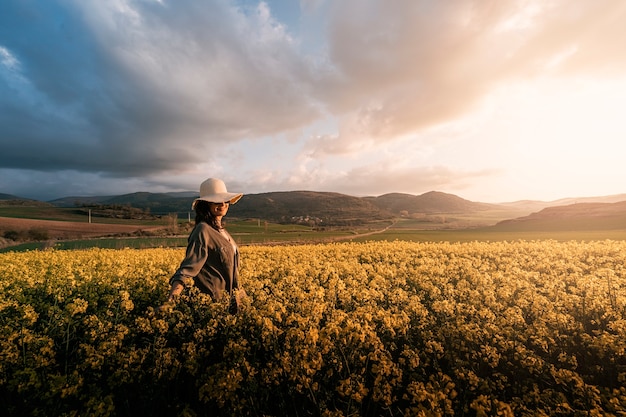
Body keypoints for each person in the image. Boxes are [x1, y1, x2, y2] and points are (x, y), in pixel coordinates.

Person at [163, 178, 246, 313]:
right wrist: (171, 301)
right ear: (206, 205)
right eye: (216, 201)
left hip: (230, 302)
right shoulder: (202, 230)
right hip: (213, 305)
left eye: (225, 200)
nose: (223, 204)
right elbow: (187, 269)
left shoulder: (222, 231)